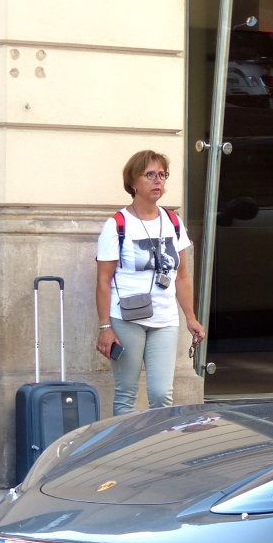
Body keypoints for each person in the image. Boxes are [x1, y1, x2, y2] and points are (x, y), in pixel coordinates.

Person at [95, 150, 205, 415]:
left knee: (161, 393)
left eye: (162, 175)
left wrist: (190, 317)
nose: (158, 181)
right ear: (133, 182)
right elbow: (102, 281)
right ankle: (124, 453)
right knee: (126, 394)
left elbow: (182, 276)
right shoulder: (118, 224)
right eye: (150, 175)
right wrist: (105, 327)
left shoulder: (173, 222)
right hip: (127, 318)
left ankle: (160, 451)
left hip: (165, 320)